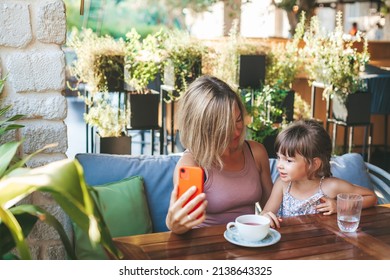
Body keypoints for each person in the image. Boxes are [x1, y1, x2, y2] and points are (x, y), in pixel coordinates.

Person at [166, 75, 274, 234]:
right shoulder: (191, 164)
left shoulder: (256, 152)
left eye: (238, 120)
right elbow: (181, 222)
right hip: (206, 249)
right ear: (205, 128)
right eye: (226, 126)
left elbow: (272, 207)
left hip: (247, 244)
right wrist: (173, 224)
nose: (237, 131)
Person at [261, 119, 377, 228]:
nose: (279, 165)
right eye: (279, 157)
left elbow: (371, 197)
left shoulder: (330, 186)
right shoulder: (283, 185)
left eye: (288, 160)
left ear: (314, 164)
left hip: (322, 245)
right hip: (289, 245)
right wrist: (265, 216)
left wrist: (339, 206)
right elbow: (266, 212)